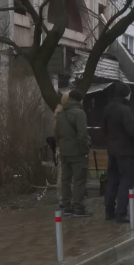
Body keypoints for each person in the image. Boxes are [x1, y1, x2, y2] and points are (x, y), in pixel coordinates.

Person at [103, 82, 134, 223]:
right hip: (126, 151)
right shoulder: (125, 110)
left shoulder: (108, 109)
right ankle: (121, 213)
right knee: (126, 181)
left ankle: (109, 211)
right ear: (126, 94)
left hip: (112, 150)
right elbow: (132, 131)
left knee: (112, 180)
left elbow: (104, 129)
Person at [54, 89, 91, 217]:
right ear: (79, 100)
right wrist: (85, 149)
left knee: (65, 179)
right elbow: (82, 134)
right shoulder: (79, 113)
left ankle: (67, 206)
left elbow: (56, 134)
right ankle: (79, 207)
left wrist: (62, 147)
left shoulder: (60, 114)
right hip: (77, 152)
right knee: (79, 180)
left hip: (64, 152)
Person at [54, 93, 69, 209]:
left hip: (60, 148)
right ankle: (64, 198)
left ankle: (62, 198)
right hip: (65, 148)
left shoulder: (57, 115)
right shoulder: (63, 115)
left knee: (62, 174)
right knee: (64, 175)